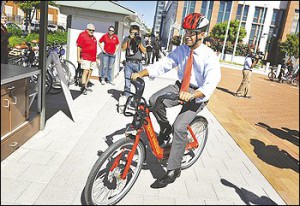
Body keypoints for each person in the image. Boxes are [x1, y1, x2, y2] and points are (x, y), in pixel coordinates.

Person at [131, 13, 221, 185]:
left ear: (201, 34)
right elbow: (164, 64)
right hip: (181, 87)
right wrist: (141, 73)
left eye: (191, 32)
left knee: (179, 126)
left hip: (197, 93)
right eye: (186, 31)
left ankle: (174, 169)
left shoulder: (209, 56)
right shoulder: (182, 50)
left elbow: (210, 84)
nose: (186, 35)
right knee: (154, 100)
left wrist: (193, 95)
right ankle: (165, 129)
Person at [121, 22, 146, 96]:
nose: (134, 35)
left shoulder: (141, 39)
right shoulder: (127, 38)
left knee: (139, 84)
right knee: (127, 83)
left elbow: (144, 51)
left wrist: (139, 43)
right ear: (130, 32)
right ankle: (126, 99)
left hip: (138, 63)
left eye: (136, 33)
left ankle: (137, 100)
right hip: (128, 63)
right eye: (132, 33)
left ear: (138, 33)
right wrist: (129, 40)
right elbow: (123, 48)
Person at [76, 23, 97, 95]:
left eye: (93, 30)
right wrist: (78, 58)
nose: (91, 31)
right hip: (85, 57)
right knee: (86, 71)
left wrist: (96, 58)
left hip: (93, 58)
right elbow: (79, 47)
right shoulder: (82, 35)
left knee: (90, 72)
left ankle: (86, 85)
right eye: (90, 30)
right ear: (87, 29)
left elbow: (95, 48)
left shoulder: (93, 38)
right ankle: (83, 87)